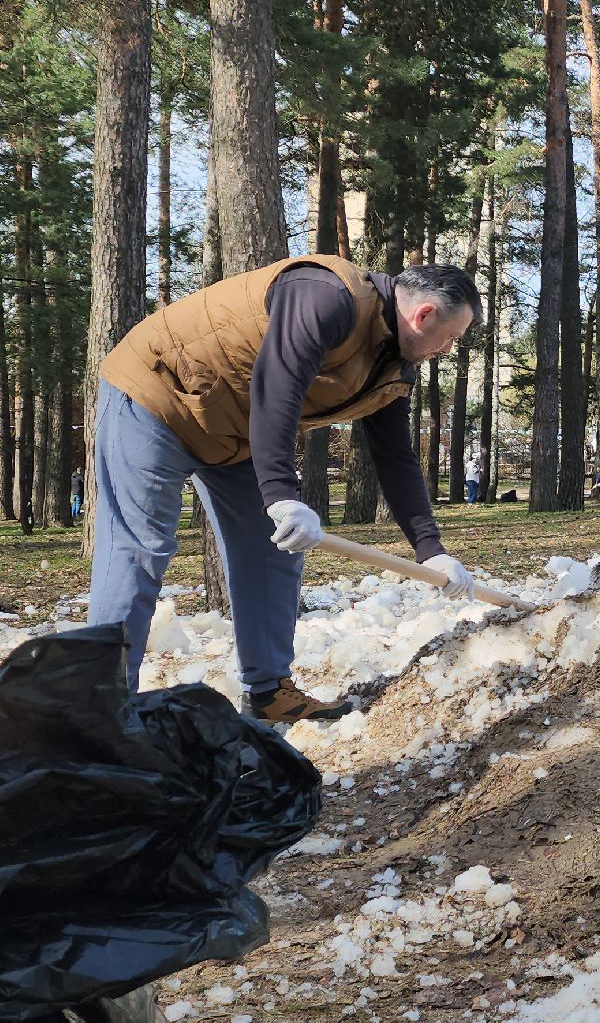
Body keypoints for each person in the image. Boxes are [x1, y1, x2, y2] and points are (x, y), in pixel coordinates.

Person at [91, 255, 481, 723]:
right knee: (140, 546)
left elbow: (396, 459)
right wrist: (281, 495)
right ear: (424, 316)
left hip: (233, 427)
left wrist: (430, 549)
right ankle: (102, 709)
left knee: (272, 548)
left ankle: (269, 692)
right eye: (452, 337)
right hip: (158, 394)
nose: (448, 348)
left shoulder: (391, 368)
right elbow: (278, 385)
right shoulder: (328, 295)